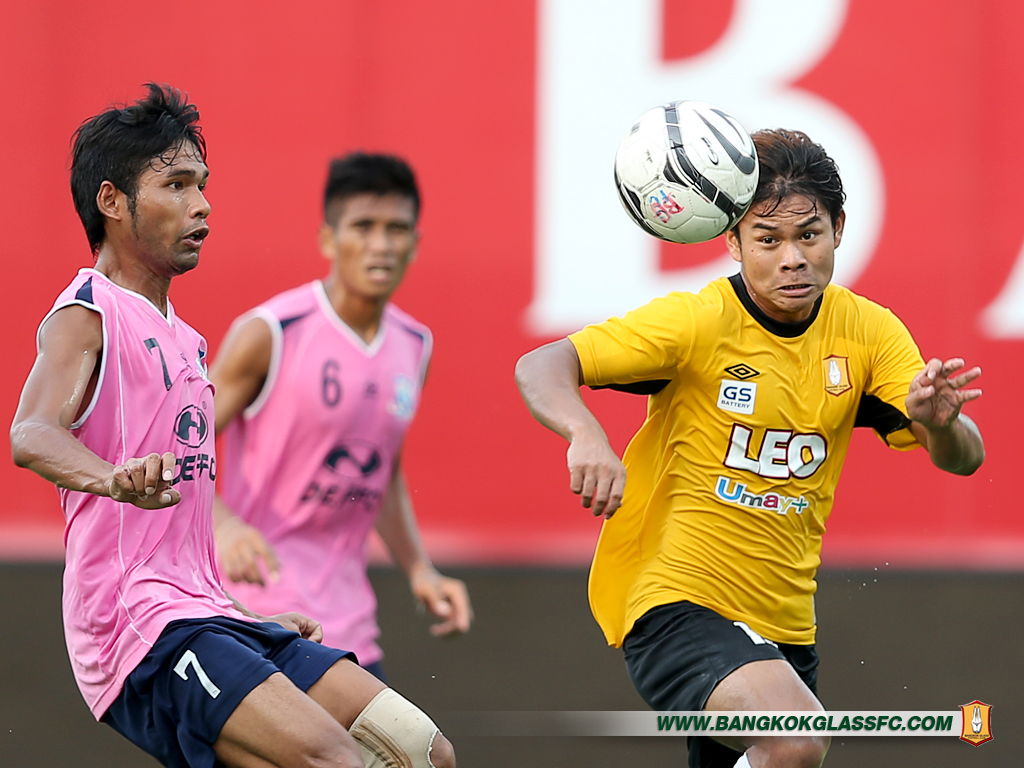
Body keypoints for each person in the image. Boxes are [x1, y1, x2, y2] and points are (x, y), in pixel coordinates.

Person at [10, 84, 455, 768]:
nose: (202, 204)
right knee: (340, 759)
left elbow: (185, 526)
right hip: (137, 624)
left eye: (203, 185)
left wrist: (240, 616)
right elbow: (30, 433)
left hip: (208, 613)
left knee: (422, 752)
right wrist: (113, 478)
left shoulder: (187, 340)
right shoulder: (88, 312)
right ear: (112, 202)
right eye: (176, 185)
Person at [515, 128, 984, 768]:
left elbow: (964, 457)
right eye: (768, 240)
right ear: (733, 242)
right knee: (794, 739)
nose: (792, 259)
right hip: (675, 604)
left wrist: (942, 423)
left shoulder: (869, 332)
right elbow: (543, 364)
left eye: (809, 235)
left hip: (785, 629)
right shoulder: (698, 322)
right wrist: (586, 433)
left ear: (839, 230)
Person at [208, 152, 471, 681]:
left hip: (350, 626)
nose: (381, 244)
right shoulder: (272, 332)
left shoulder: (414, 345)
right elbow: (173, 449)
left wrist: (419, 569)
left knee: (400, 736)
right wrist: (223, 526)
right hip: (257, 615)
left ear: (415, 244)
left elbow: (382, 474)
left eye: (396, 229)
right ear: (329, 240)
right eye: (363, 226)